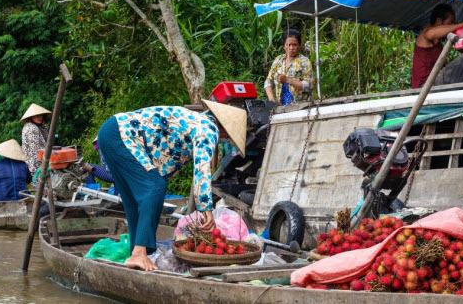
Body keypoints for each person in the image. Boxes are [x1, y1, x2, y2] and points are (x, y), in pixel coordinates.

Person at [97, 102, 247, 271]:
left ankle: (143, 252)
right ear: (225, 129)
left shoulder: (195, 122)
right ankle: (139, 253)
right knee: (154, 187)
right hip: (121, 136)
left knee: (135, 200)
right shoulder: (208, 129)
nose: (224, 140)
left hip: (111, 133)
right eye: (227, 137)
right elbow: (201, 170)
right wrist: (206, 209)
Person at [264, 29, 315, 105]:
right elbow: (268, 81)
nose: (291, 48)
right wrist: (271, 100)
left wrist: (288, 80)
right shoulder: (278, 60)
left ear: (299, 46)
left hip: (301, 107)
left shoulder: (304, 61)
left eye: (294, 45)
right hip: (280, 108)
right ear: (284, 46)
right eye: (288, 45)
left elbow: (310, 85)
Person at [20, 103, 52, 183]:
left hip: (32, 165)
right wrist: (43, 167)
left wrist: (44, 126)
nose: (39, 117)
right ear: (31, 117)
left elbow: (47, 140)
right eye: (36, 116)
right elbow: (35, 151)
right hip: (34, 166)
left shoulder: (31, 126)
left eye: (41, 115)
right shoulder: (32, 128)